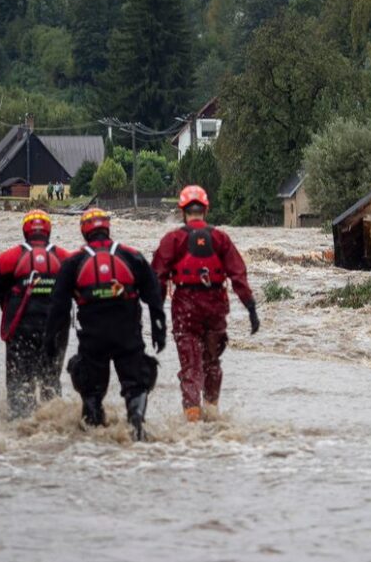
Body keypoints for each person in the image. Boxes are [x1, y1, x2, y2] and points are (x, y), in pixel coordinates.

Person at [46, 208, 165, 440]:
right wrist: (159, 329)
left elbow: (58, 307)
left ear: (84, 232)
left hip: (93, 339)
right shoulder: (132, 256)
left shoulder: (73, 262)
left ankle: (94, 437)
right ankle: (137, 426)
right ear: (107, 228)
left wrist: (50, 340)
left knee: (90, 390)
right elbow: (155, 296)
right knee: (137, 385)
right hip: (128, 336)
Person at [152, 185, 259, 423]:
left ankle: (192, 422)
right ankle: (212, 413)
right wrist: (251, 307)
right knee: (212, 363)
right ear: (206, 210)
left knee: (191, 366)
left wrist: (156, 315)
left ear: (183, 212)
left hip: (185, 307)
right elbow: (238, 274)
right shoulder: (220, 238)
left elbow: (157, 277)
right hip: (215, 308)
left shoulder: (173, 239)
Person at [0, 210, 72, 418]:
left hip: (19, 334)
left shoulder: (8, 259)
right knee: (50, 382)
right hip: (55, 334)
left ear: (25, 231)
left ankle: (20, 430)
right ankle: (55, 427)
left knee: (19, 387)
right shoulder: (66, 259)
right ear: (48, 232)